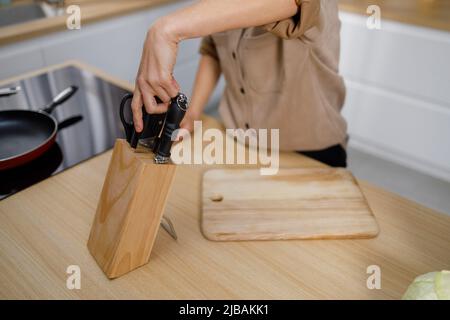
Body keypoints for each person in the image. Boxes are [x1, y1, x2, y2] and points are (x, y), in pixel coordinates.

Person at [131, 0, 348, 167]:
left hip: (307, 153)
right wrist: (194, 111)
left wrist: (165, 30)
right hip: (239, 142)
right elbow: (213, 50)